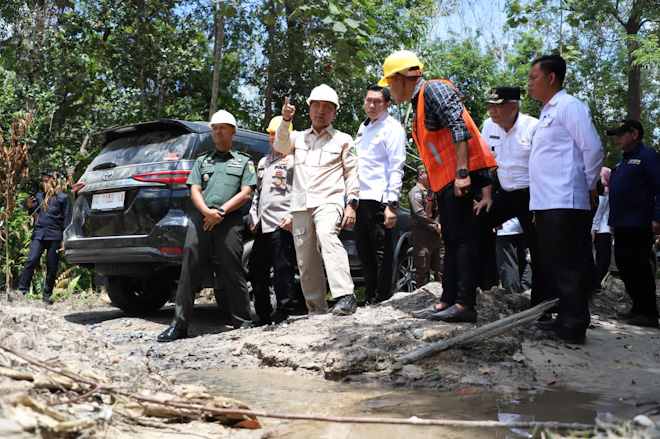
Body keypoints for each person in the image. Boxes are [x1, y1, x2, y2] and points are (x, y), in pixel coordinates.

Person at [379, 50, 497, 323]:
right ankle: (448, 300)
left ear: (399, 79)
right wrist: (432, 195)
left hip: (459, 175)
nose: (389, 91)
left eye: (389, 83)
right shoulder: (419, 102)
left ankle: (465, 304)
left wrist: (463, 173)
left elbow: (458, 124)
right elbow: (434, 154)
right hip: (445, 181)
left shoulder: (434, 88)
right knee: (452, 239)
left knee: (463, 238)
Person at [158, 110, 256, 342]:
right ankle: (179, 326)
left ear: (233, 131)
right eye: (214, 128)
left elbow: (246, 193)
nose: (217, 131)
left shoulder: (243, 161)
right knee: (189, 270)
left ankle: (243, 323)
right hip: (200, 219)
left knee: (233, 269)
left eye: (222, 127)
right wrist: (207, 212)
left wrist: (221, 211)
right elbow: (194, 190)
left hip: (229, 220)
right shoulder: (203, 160)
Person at [527, 54, 604, 344]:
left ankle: (573, 325)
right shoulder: (547, 112)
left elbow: (593, 149)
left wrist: (586, 186)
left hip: (565, 200)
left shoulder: (569, 106)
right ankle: (565, 317)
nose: (530, 84)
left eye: (534, 78)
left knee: (568, 263)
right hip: (547, 202)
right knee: (552, 262)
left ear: (551, 78)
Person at [273, 84, 359, 316]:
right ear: (309, 108)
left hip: (329, 201)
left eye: (327, 107)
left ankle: (345, 295)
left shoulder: (343, 140)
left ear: (335, 112)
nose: (321, 110)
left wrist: (351, 203)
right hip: (301, 205)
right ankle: (317, 310)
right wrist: (286, 120)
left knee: (326, 235)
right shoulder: (297, 137)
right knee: (306, 258)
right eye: (316, 105)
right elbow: (279, 145)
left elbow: (352, 173)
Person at [476, 86, 546, 304]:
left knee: (538, 247)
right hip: (504, 193)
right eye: (490, 106)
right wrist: (486, 196)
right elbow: (483, 163)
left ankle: (541, 303)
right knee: (476, 224)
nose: (492, 111)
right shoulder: (488, 126)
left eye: (497, 106)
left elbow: (543, 169)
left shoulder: (533, 127)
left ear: (514, 107)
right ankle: (483, 288)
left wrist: (539, 206)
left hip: (531, 195)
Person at [354, 84, 406, 304]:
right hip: (359, 198)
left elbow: (397, 166)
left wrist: (392, 204)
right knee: (363, 250)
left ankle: (382, 296)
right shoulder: (363, 127)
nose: (372, 105)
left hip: (379, 198)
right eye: (368, 101)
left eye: (377, 101)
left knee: (381, 251)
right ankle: (369, 295)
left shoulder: (392, 128)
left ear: (387, 104)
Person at [606, 119, 660, 328]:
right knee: (624, 265)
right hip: (621, 223)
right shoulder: (624, 159)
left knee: (639, 266)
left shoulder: (648, 156)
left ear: (634, 134)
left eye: (621, 134)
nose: (617, 138)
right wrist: (612, 221)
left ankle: (648, 313)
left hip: (639, 223)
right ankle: (638, 307)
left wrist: (657, 217)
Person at [247, 116, 296, 325]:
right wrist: (253, 216)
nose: (273, 138)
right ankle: (263, 314)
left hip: (281, 223)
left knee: (282, 270)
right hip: (262, 225)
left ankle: (284, 312)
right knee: (257, 270)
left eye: (277, 134)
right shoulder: (262, 162)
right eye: (271, 133)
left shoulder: (294, 160)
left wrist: (292, 216)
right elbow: (257, 193)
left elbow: (301, 191)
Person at [18, 171, 71, 303]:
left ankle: (47, 295)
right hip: (39, 234)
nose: (45, 183)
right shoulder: (39, 197)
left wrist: (65, 240)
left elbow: (67, 220)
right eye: (43, 181)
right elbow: (33, 214)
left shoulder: (63, 198)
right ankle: (22, 291)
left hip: (55, 235)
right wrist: (30, 206)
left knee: (52, 266)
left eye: (47, 180)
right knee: (31, 260)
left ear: (55, 182)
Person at [407, 165, 444, 289]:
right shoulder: (416, 192)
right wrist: (435, 225)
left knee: (442, 268)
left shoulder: (433, 192)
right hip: (422, 237)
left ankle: (443, 295)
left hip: (437, 237)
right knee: (422, 269)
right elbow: (419, 212)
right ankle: (422, 296)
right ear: (421, 174)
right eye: (428, 173)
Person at [495, 218, 532, 295]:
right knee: (524, 261)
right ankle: (527, 293)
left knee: (508, 265)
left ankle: (513, 297)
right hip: (522, 226)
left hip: (506, 228)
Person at [591, 176, 611, 294]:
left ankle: (597, 282)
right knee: (601, 259)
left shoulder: (606, 192)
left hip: (603, 229)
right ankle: (596, 282)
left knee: (602, 260)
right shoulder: (602, 193)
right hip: (600, 230)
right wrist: (594, 227)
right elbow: (599, 210)